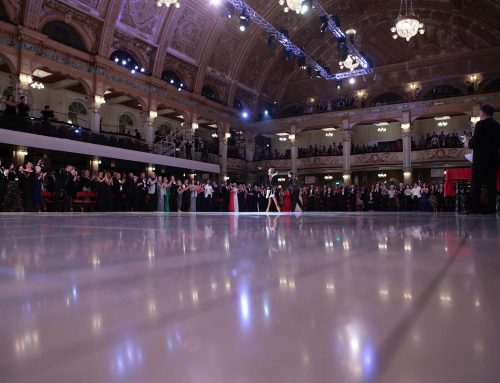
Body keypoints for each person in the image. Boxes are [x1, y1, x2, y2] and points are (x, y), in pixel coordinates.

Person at [465, 104, 500, 214]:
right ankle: (491, 208)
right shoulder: (497, 126)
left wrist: (468, 143)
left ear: (483, 113)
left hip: (480, 159)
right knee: (491, 184)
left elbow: (475, 142)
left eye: (480, 113)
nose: (479, 115)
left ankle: (475, 208)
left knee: (476, 184)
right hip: (493, 159)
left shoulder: (481, 124)